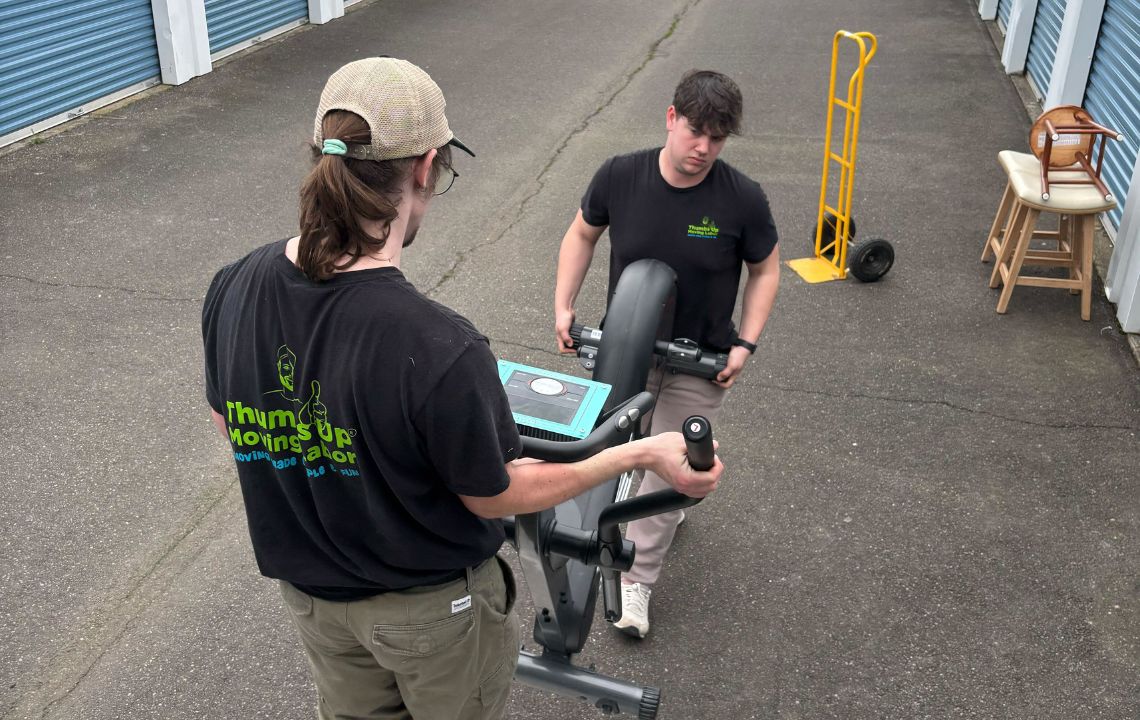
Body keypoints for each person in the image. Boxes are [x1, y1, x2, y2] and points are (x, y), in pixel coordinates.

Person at [201, 57, 724, 720]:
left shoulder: (234, 284)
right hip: (429, 615)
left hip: (313, 602)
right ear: (426, 168)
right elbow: (494, 494)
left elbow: (232, 423)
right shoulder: (436, 344)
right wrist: (641, 453)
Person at [553, 69, 779, 639]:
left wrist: (746, 343)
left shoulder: (742, 198)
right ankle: (581, 543)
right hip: (625, 347)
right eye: (695, 131)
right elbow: (582, 234)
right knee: (602, 454)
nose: (703, 148)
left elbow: (765, 270)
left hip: (699, 361)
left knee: (670, 468)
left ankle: (637, 580)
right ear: (671, 118)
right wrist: (563, 305)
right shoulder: (620, 175)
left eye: (717, 138)